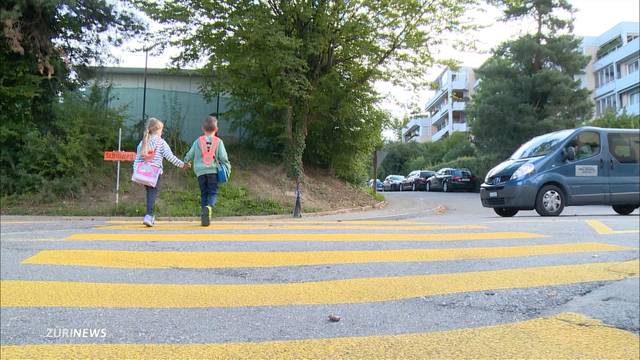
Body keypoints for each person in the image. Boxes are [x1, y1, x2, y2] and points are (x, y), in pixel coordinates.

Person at [133, 117, 187, 227]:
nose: (162, 132)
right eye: (161, 130)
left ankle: (150, 215)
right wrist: (182, 165)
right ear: (157, 130)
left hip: (143, 173)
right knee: (152, 193)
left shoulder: (143, 141)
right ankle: (148, 216)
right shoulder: (161, 143)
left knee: (149, 193)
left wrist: (135, 171)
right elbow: (170, 157)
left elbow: (137, 158)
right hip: (154, 174)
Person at [184, 115, 231, 226]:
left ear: (202, 128)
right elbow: (224, 158)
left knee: (204, 193)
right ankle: (209, 208)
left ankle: (203, 214)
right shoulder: (218, 142)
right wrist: (227, 168)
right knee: (213, 192)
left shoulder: (198, 141)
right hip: (213, 172)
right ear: (216, 129)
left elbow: (190, 153)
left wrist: (186, 162)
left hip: (200, 172)